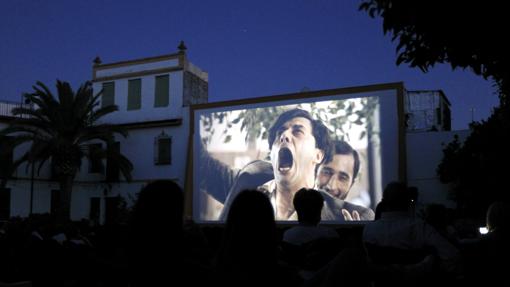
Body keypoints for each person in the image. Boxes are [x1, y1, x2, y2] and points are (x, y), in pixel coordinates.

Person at [219, 108, 333, 220]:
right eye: (280, 133)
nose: (284, 136)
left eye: (297, 131)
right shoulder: (246, 189)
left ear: (318, 155)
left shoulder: (337, 215)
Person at [316, 140, 374, 220]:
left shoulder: (363, 216)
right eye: (326, 172)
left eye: (342, 178)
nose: (332, 186)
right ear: (315, 171)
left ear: (352, 184)